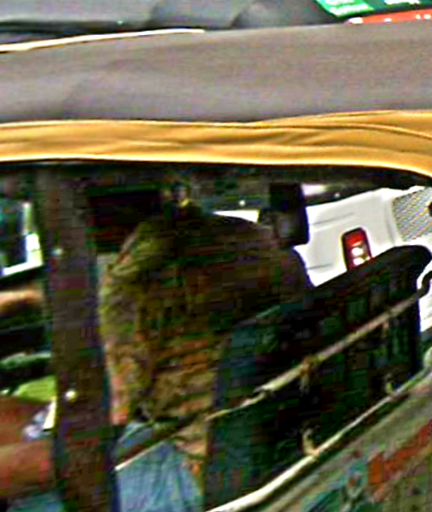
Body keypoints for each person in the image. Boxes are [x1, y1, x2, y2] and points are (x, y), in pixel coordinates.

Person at [0, 184, 311, 511]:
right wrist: (31, 300)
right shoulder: (249, 237)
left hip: (204, 471)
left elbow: (75, 452)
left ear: (85, 212)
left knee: (23, 493)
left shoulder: (139, 279)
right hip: (267, 433)